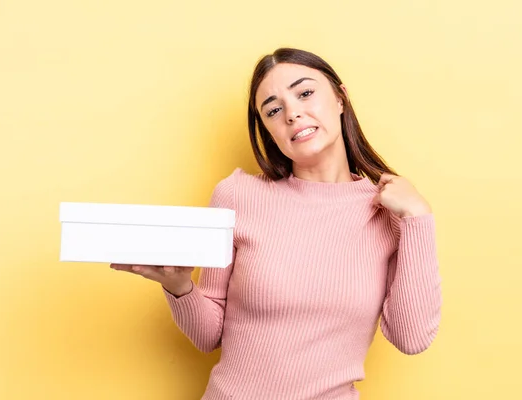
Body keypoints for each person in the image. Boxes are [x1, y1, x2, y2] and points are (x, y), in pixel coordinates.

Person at [111, 47, 442, 399]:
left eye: (305, 93)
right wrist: (180, 287)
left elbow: (411, 337)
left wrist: (418, 218)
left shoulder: (390, 214)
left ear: (341, 98)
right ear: (268, 129)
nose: (293, 114)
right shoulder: (237, 195)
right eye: (273, 109)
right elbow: (209, 337)